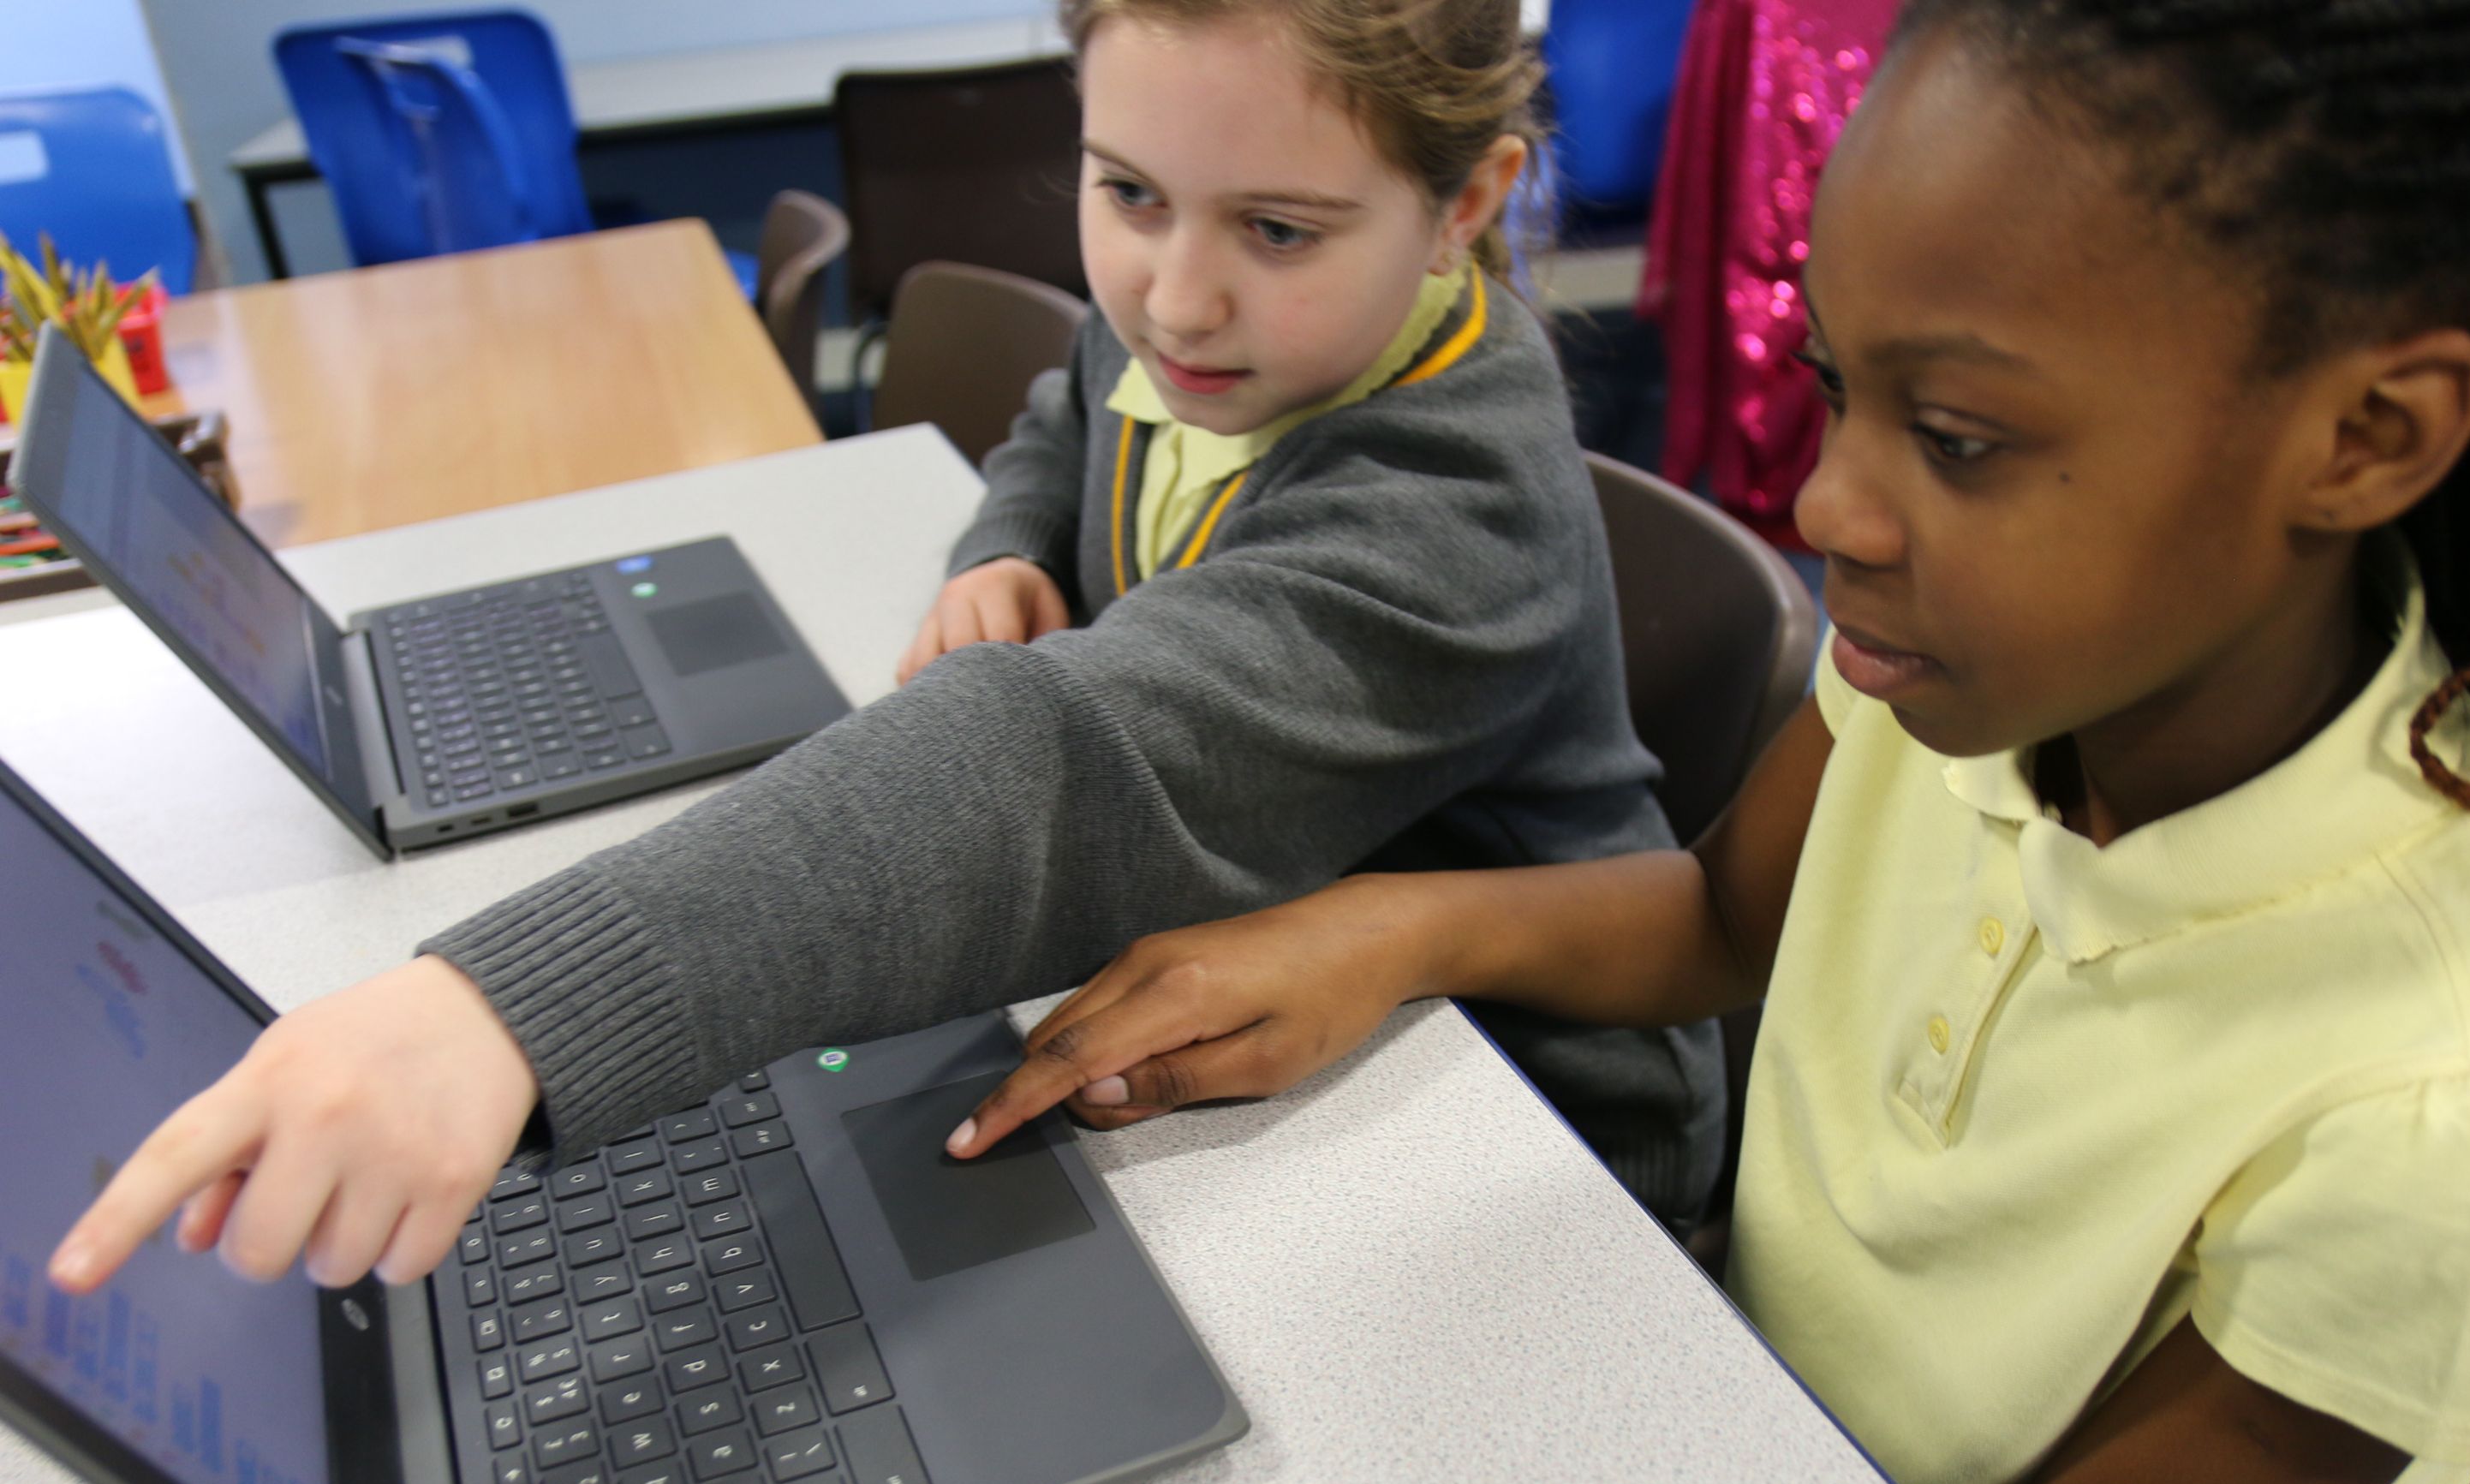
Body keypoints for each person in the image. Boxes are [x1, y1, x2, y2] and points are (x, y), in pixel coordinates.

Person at [944, 3, 2470, 1484]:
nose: (1829, 509)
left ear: (2366, 438)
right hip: (1738, 1460)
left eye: (1959, 441)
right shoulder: (1977, 665)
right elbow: (1729, 915)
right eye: (1837, 391)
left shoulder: (2466, 1098)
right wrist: (1379, 934)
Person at [47, 0, 1727, 1302]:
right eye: (1128, 192)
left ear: (1465, 203)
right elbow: (1072, 408)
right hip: (1260, 969)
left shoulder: (1456, 507)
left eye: (1277, 230)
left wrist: (510, 1011)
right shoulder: (1227, 333)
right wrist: (1007, 547)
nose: (1177, 298)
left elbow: (1062, 760)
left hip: (1529, 1124)